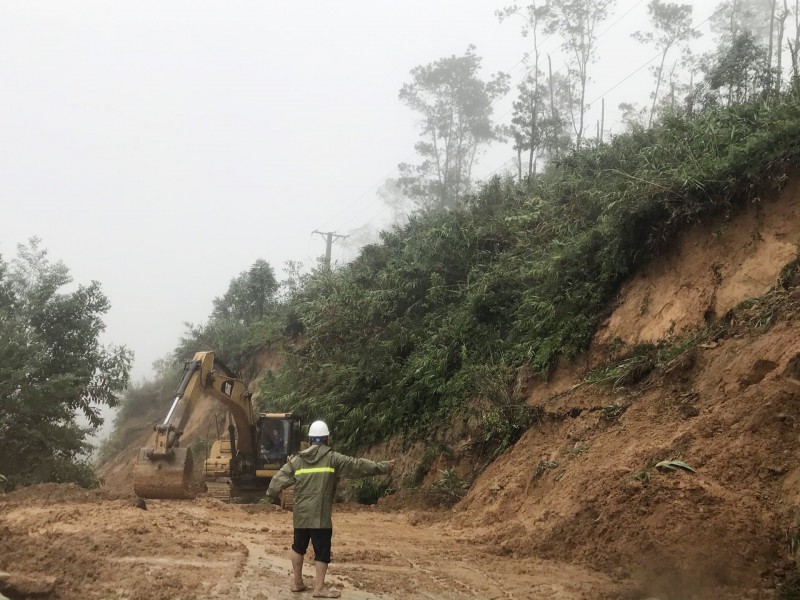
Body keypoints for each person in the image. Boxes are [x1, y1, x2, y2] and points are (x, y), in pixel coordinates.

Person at [266, 420, 394, 598]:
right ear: (327, 439)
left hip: (301, 515)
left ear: (310, 439)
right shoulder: (333, 458)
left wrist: (270, 494)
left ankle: (297, 583)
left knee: (298, 547)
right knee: (322, 552)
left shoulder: (298, 460)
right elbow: (357, 465)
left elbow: (278, 478)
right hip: (320, 515)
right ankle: (319, 588)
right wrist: (383, 467)